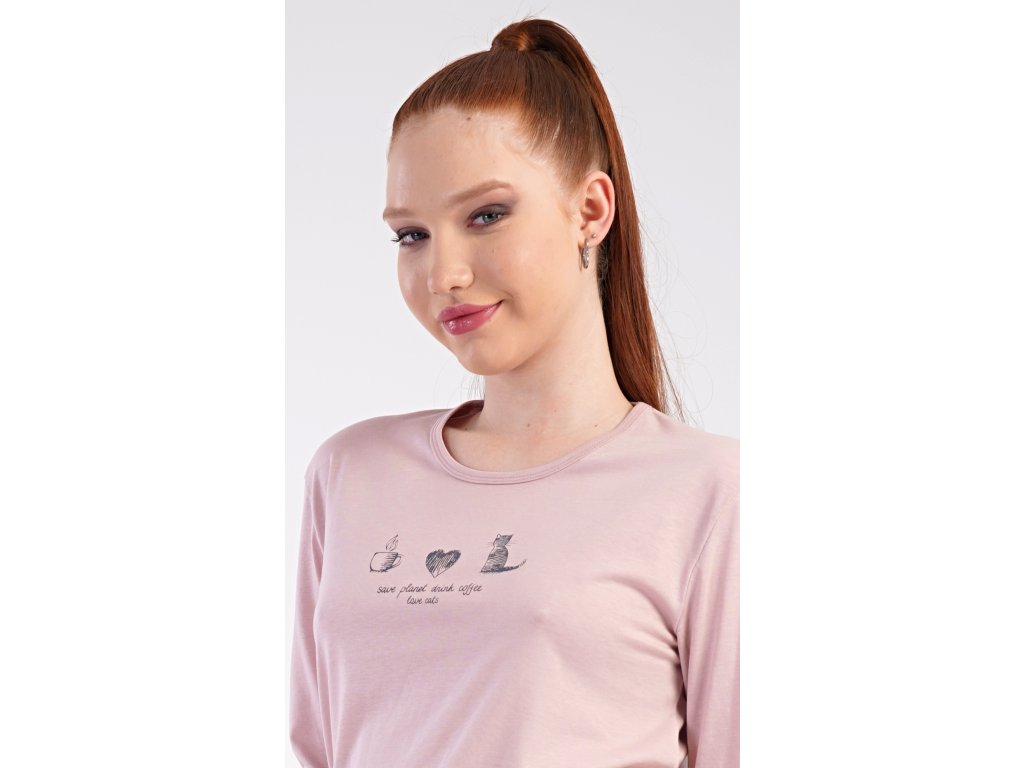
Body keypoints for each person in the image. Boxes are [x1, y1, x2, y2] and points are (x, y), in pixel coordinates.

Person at [289, 18, 739, 768]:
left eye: (486, 216)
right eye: (411, 235)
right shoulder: (348, 473)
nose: (444, 275)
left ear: (590, 211)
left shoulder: (708, 491)